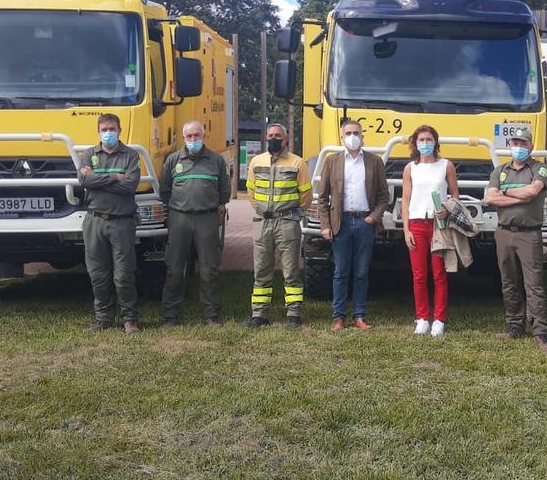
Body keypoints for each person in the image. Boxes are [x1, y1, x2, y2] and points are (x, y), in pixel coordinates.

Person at [485, 127, 547, 353]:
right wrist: (517, 194)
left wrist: (503, 193)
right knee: (509, 282)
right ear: (510, 146)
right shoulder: (500, 170)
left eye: (523, 144)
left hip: (529, 234)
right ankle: (514, 326)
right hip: (504, 232)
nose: (519, 148)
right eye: (515, 143)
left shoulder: (540, 169)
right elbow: (489, 197)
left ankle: (541, 333)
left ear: (531, 146)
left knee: (533, 285)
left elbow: (532, 193)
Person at [316, 119, 390, 331]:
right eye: (348, 133)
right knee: (340, 271)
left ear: (362, 135)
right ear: (342, 136)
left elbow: (384, 196)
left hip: (365, 222)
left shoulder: (375, 162)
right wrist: (325, 225)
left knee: (361, 272)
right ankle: (338, 317)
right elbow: (322, 198)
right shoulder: (332, 161)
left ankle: (359, 316)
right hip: (341, 223)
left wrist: (373, 218)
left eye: (356, 132)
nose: (352, 136)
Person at [159, 120, 232, 327]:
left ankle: (211, 314)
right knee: (174, 268)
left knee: (210, 269)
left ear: (204, 136)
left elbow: (224, 192)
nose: (193, 140)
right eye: (189, 136)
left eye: (197, 136)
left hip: (206, 219)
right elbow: (165, 191)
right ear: (183, 138)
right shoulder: (173, 160)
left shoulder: (216, 160)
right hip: (179, 218)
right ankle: (171, 315)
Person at [78, 113, 142, 333]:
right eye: (104, 130)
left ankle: (129, 319)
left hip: (122, 222)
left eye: (112, 129)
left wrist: (97, 180)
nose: (108, 133)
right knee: (97, 273)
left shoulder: (130, 155)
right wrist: (115, 177)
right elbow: (84, 180)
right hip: (95, 221)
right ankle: (103, 318)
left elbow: (130, 186)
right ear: (98, 132)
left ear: (119, 130)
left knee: (123, 274)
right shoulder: (88, 154)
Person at [245, 123, 312, 328]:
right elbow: (251, 191)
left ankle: (293, 314)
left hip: (287, 222)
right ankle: (259, 315)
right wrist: (262, 210)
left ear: (286, 138)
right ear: (266, 137)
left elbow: (306, 195)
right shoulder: (256, 161)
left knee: (291, 270)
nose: (274, 138)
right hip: (263, 222)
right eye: (271, 135)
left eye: (278, 135)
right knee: (261, 270)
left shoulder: (298, 163)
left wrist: (292, 213)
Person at [400, 125, 459, 336]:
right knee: (418, 274)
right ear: (415, 143)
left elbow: (455, 195)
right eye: (421, 140)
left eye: (429, 139)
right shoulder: (410, 168)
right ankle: (422, 317)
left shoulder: (446, 166)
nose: (425, 143)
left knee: (439, 273)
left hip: (438, 225)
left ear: (435, 142)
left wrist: (447, 208)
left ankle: (439, 319)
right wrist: (406, 229)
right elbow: (405, 200)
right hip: (416, 223)